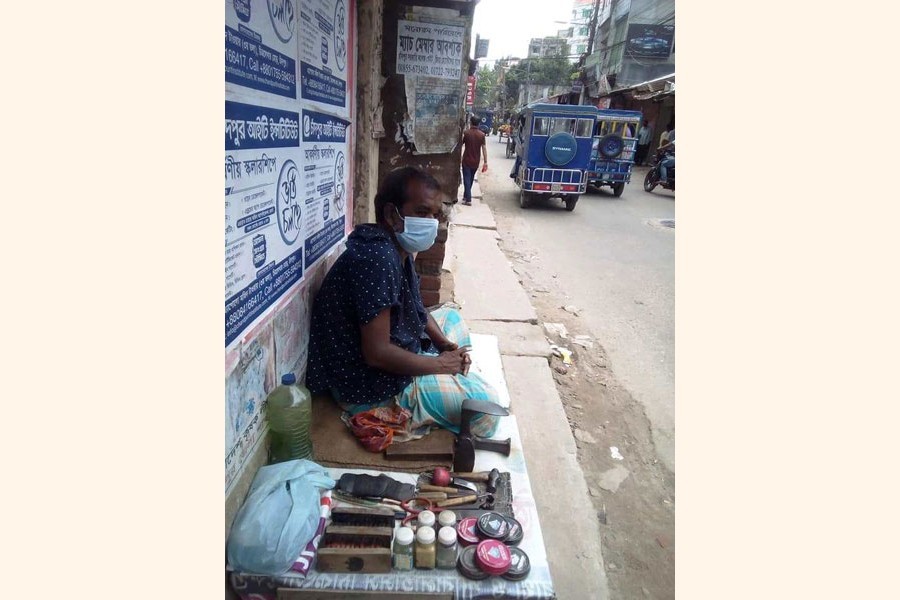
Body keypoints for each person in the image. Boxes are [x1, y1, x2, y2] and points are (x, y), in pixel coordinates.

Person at [306, 166, 500, 438]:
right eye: (422, 212)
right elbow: (377, 353)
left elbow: (418, 309)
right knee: (487, 413)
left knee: (451, 320)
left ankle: (441, 372)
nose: (432, 222)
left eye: (435, 214)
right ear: (390, 214)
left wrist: (444, 345)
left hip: (388, 350)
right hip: (366, 386)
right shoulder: (378, 258)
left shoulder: (399, 248)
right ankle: (404, 405)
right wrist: (441, 364)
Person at [460, 116, 487, 205]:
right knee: (470, 179)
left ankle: (468, 199)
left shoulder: (466, 133)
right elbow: (484, 149)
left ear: (471, 123)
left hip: (466, 160)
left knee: (467, 179)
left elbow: (460, 145)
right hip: (476, 161)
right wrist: (485, 162)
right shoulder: (482, 135)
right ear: (479, 124)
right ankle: (465, 196)